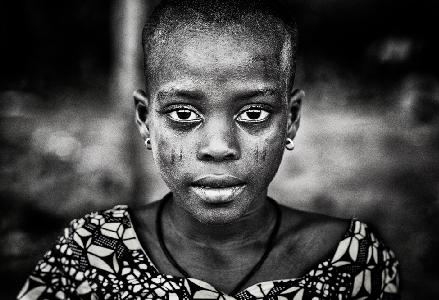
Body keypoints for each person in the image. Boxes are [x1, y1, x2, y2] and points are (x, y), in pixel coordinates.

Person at [18, 0, 400, 299]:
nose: (219, 147)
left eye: (253, 112)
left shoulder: (351, 261)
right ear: (145, 120)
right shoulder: (92, 253)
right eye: (183, 113)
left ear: (292, 119)